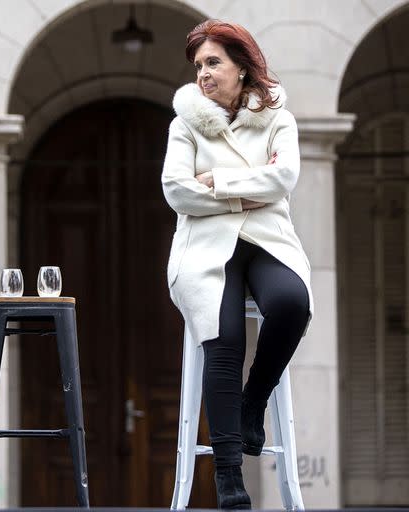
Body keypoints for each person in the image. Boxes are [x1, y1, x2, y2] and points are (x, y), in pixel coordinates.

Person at [162, 20, 313, 509]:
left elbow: (284, 178)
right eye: (198, 66)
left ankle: (255, 401)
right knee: (223, 337)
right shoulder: (184, 122)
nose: (203, 74)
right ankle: (229, 479)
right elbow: (176, 190)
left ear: (242, 67)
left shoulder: (277, 119)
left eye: (213, 63)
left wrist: (216, 182)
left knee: (292, 303)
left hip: (268, 239)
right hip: (205, 246)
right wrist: (244, 194)